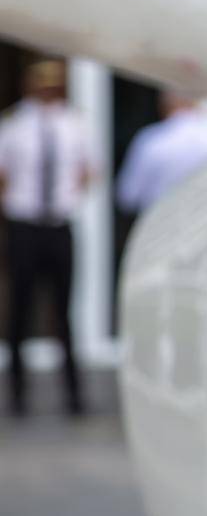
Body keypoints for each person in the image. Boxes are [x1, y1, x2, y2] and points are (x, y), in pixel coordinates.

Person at [0, 57, 102, 416]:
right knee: (20, 312)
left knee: (64, 312)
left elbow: (89, 171)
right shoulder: (14, 125)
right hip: (25, 225)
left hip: (58, 225)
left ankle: (74, 395)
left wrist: (67, 200)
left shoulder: (74, 124)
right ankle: (17, 396)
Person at [115, 90, 207, 214]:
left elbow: (127, 197)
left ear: (163, 105)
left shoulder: (150, 140)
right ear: (196, 102)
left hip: (160, 226)